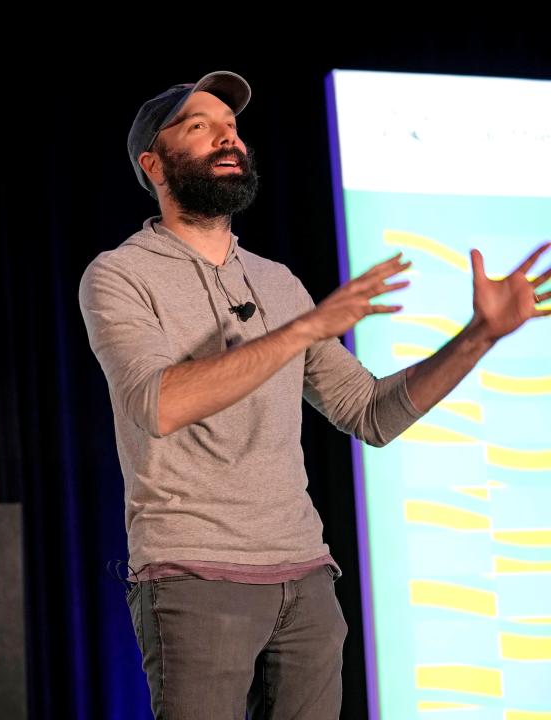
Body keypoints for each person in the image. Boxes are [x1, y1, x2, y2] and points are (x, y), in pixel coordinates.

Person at [77, 70, 551, 719]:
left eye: (232, 128)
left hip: (306, 583)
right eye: (201, 127)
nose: (228, 138)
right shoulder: (119, 275)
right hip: (194, 577)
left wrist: (481, 337)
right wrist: (305, 329)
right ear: (153, 164)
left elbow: (371, 414)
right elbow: (159, 404)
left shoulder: (277, 282)